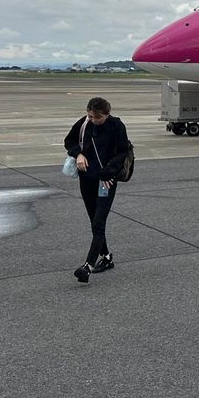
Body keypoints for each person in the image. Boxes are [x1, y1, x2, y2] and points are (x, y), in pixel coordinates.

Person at [63, 96, 130, 283]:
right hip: (86, 180)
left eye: (97, 117)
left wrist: (108, 173)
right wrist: (78, 154)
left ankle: (88, 267)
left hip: (106, 181)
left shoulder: (116, 126)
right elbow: (69, 141)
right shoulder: (84, 123)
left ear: (106, 114)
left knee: (99, 222)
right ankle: (106, 257)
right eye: (90, 116)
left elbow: (122, 152)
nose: (93, 120)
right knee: (94, 221)